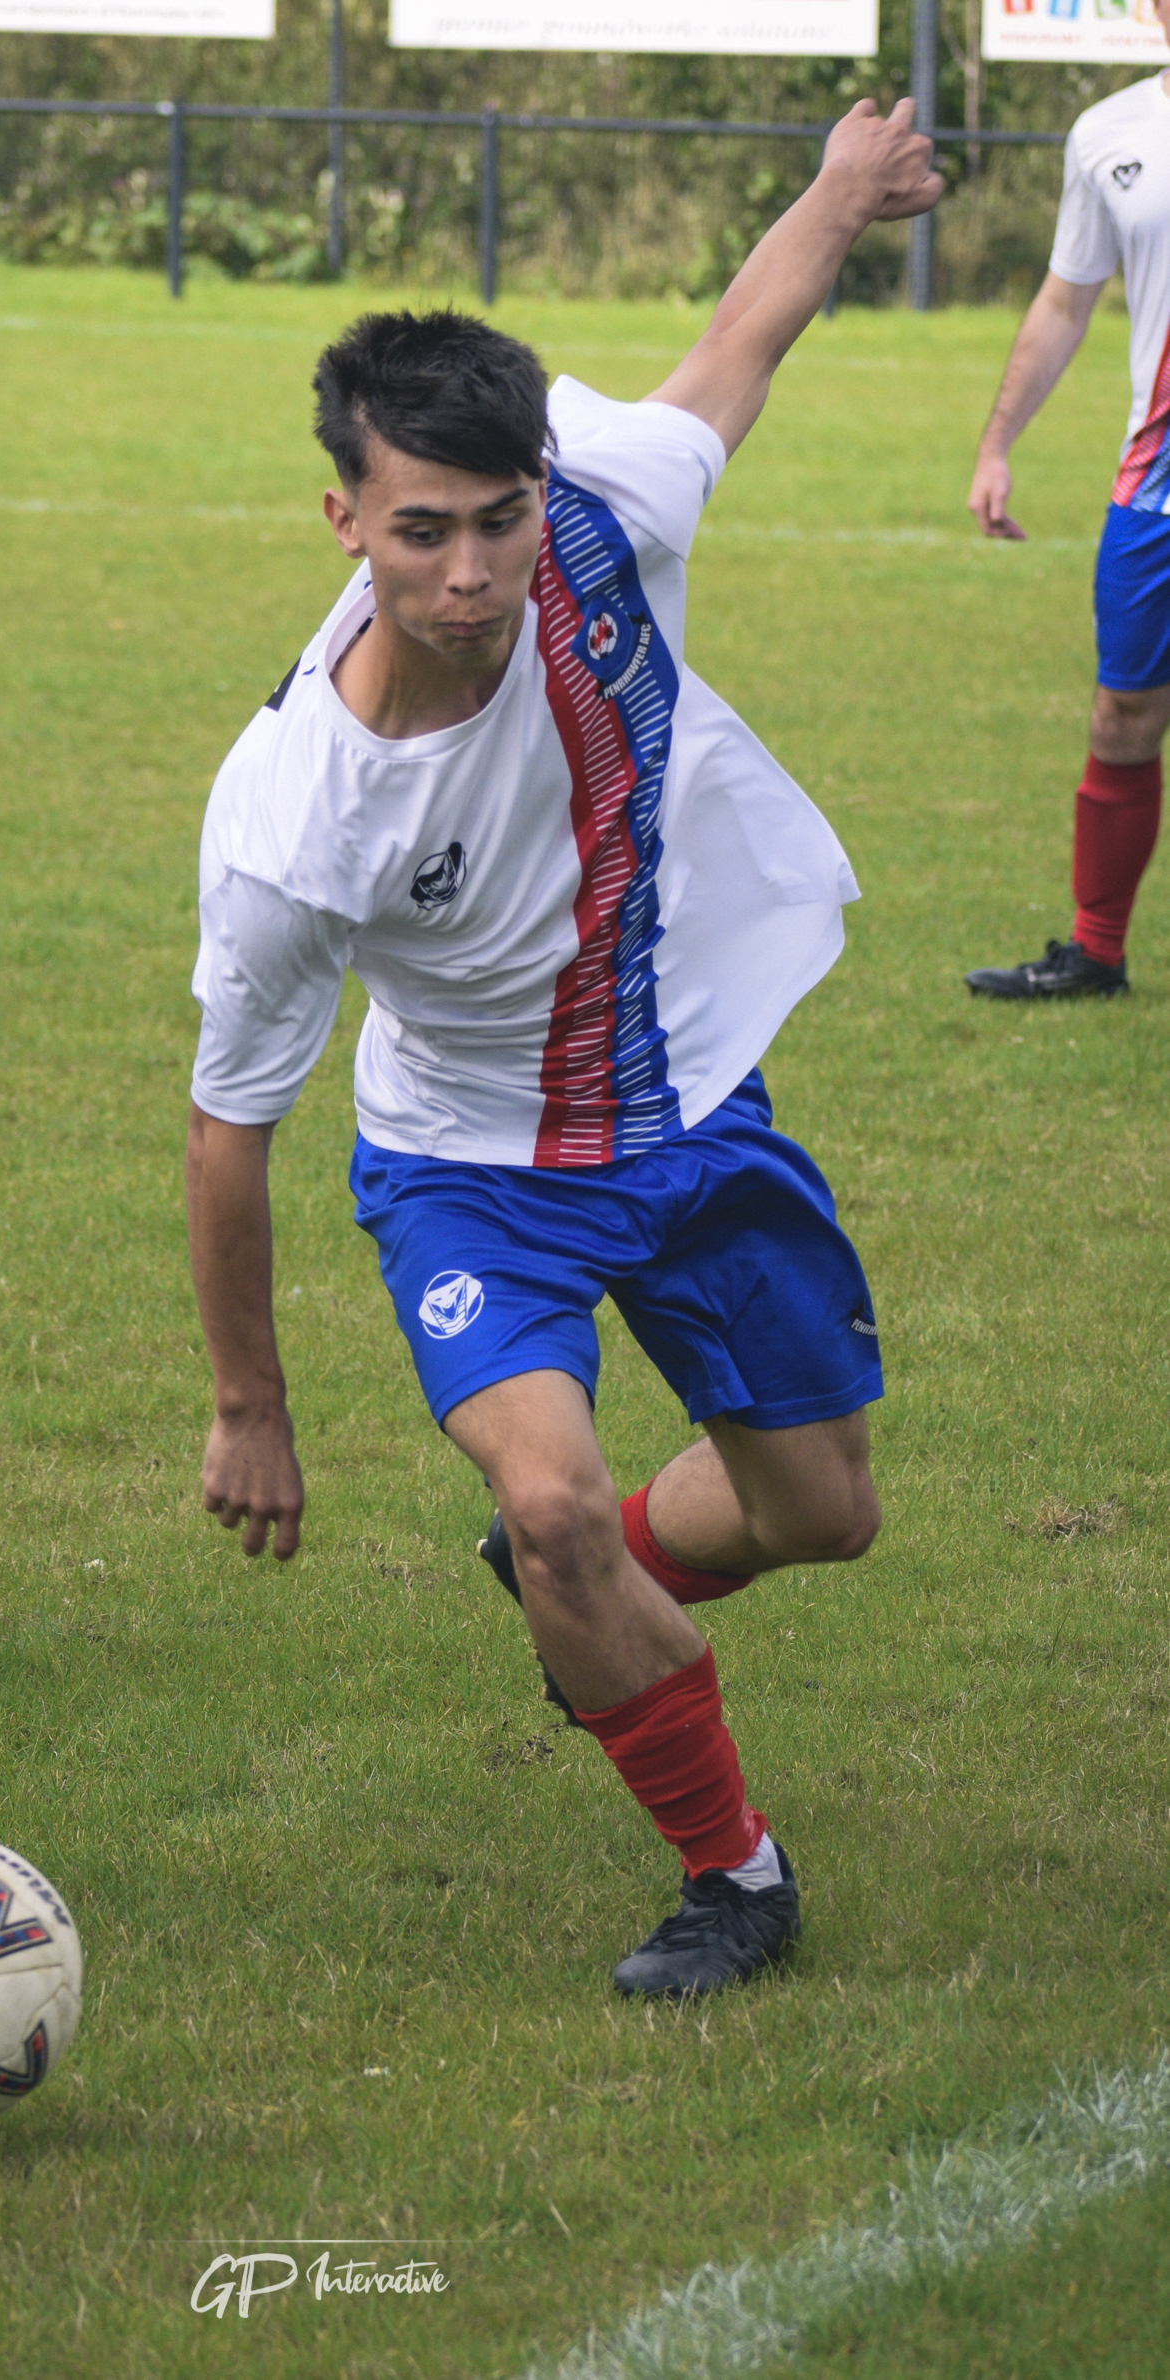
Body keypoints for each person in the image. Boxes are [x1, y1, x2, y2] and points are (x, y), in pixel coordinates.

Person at [184, 101, 940, 2000]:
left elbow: (731, 353)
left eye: (497, 520)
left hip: (690, 1103)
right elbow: (228, 1130)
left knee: (818, 1518)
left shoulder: (600, 504)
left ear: (541, 486)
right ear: (342, 517)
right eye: (418, 531)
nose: (468, 573)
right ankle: (734, 1879)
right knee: (547, 1499)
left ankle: (583, 1589)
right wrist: (250, 1407)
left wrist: (839, 190)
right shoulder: (294, 818)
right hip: (470, 1173)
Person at [965, 0, 1170, 1000]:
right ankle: (1094, 952)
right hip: (1156, 488)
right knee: (1120, 713)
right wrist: (996, 442)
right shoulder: (1107, 135)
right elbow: (1061, 301)